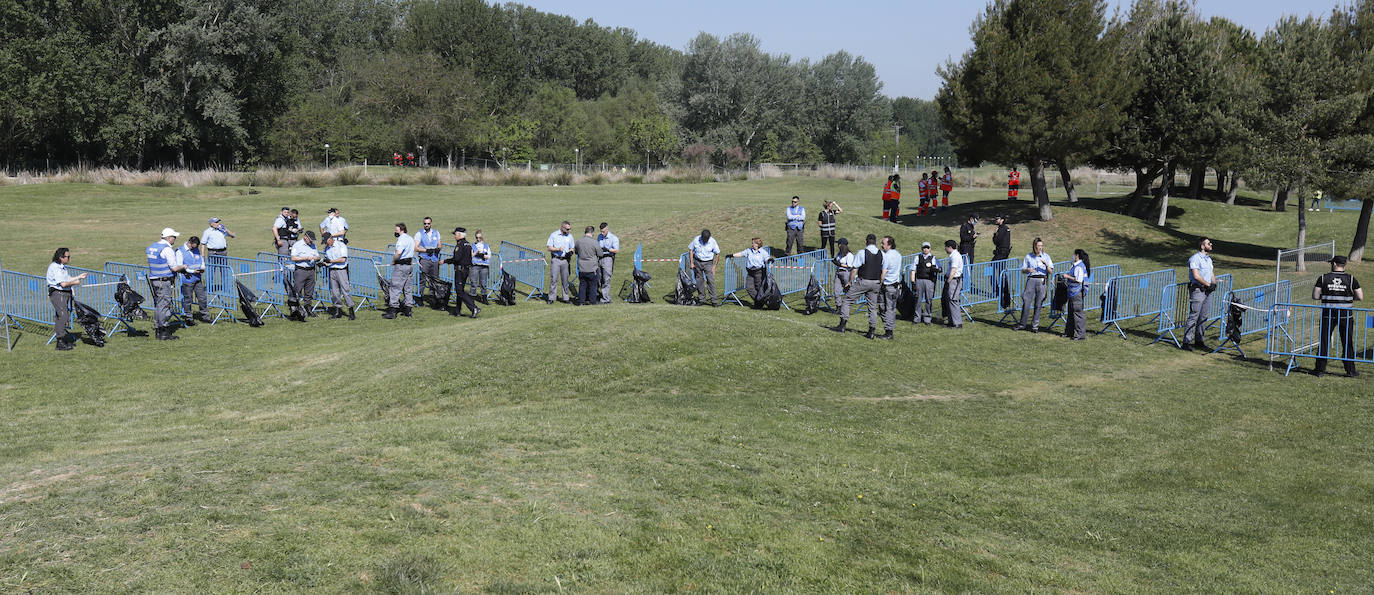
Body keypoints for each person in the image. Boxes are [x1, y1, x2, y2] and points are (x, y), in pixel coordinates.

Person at [1312, 255, 1364, 377]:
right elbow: (1360, 297)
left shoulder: (1324, 278)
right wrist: (1349, 299)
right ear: (1344, 265)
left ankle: (1320, 369)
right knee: (1347, 341)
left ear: (1334, 264)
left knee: (1324, 341)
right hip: (1345, 315)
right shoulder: (1351, 279)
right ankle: (1350, 370)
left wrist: (1325, 297)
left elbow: (1315, 295)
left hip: (1327, 314)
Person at [833, 234, 882, 337]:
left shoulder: (862, 252)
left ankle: (842, 325)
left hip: (864, 281)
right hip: (876, 282)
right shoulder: (881, 254)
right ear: (875, 242)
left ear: (865, 242)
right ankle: (871, 331)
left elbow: (854, 269)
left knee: (847, 301)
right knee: (872, 307)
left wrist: (850, 282)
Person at [146, 228, 187, 340]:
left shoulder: (152, 246)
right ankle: (164, 330)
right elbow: (174, 268)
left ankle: (158, 329)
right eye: (174, 237)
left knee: (159, 305)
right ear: (169, 238)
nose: (175, 239)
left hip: (154, 279)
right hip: (163, 280)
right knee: (164, 305)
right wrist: (183, 266)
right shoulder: (167, 249)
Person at [46, 247, 87, 351]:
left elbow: (67, 279)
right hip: (58, 293)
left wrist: (79, 277)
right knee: (63, 316)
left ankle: (63, 340)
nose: (69, 258)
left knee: (62, 316)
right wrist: (76, 282)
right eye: (67, 257)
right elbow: (63, 283)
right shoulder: (55, 268)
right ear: (61, 257)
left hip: (64, 294)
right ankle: (60, 343)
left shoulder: (62, 267)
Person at [1182, 237, 1217, 351]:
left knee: (1203, 316)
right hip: (1198, 290)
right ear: (1202, 246)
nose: (1210, 244)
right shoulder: (1195, 259)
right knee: (1194, 316)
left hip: (1207, 291)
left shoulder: (1208, 259)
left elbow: (1211, 272)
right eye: (1208, 243)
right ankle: (1186, 342)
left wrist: (1214, 283)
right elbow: (1196, 276)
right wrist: (1207, 284)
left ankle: (1199, 341)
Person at [1013, 238, 1053, 332]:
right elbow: (1023, 269)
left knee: (1038, 304)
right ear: (1034, 246)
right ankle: (1022, 324)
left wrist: (1046, 264)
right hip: (1031, 280)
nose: (1040, 248)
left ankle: (1035, 326)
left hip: (1041, 280)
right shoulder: (1028, 256)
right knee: (1026, 302)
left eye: (1041, 246)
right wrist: (1028, 270)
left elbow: (1050, 271)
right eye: (1038, 246)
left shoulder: (1046, 256)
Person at [383, 223, 415, 319]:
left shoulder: (402, 239)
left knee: (395, 288)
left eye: (396, 230)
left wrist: (393, 261)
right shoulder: (410, 238)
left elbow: (399, 252)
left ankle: (393, 310)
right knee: (407, 288)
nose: (395, 232)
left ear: (401, 230)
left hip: (401, 266)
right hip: (409, 265)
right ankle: (408, 310)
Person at [446, 227, 480, 318]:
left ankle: (474, 308)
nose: (454, 236)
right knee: (459, 291)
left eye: (455, 234)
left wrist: (445, 261)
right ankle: (457, 310)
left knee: (460, 291)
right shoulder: (468, 244)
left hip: (460, 270)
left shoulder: (460, 245)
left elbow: (456, 258)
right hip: (466, 270)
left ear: (460, 235)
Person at [321, 232, 355, 320]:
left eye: (326, 241)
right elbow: (327, 260)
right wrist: (323, 263)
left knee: (345, 291)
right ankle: (338, 311)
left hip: (341, 270)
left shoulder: (341, 245)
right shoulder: (327, 248)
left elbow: (343, 259)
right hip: (332, 271)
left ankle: (351, 312)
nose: (325, 243)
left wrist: (331, 261)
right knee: (335, 293)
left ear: (330, 239)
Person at [728, 237, 771, 307]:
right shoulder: (749, 251)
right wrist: (732, 255)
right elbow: (741, 254)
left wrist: (769, 260)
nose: (752, 244)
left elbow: (767, 259)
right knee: (749, 287)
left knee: (759, 288)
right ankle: (759, 301)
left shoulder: (763, 252)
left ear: (757, 244)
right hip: (750, 273)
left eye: (753, 243)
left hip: (759, 272)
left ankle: (762, 302)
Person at [288, 230, 321, 321]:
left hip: (311, 270)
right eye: (310, 240)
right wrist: (305, 258)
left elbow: (318, 256)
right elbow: (293, 258)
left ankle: (308, 309)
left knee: (309, 291)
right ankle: (293, 309)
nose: (311, 242)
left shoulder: (313, 246)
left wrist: (316, 258)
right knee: (297, 290)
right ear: (305, 237)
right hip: (301, 270)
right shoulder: (297, 245)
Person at [178, 236, 211, 324]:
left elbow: (201, 260)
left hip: (197, 278)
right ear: (189, 243)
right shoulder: (180, 251)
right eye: (193, 246)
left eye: (196, 247)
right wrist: (192, 271)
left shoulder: (196, 249)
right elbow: (179, 266)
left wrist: (203, 267)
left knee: (202, 298)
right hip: (187, 279)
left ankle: (205, 317)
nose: (195, 248)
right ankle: (189, 318)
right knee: (188, 299)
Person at [1060, 249, 1090, 340]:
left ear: (1077, 255)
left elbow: (1079, 280)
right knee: (1070, 313)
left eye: (1074, 254)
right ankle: (1069, 332)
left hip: (1076, 293)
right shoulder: (1075, 266)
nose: (1073, 256)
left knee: (1078, 314)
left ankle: (1080, 335)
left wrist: (1067, 276)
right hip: (1072, 293)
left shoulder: (1079, 267)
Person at [877, 235, 902, 340]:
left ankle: (889, 332)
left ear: (889, 245)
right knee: (883, 308)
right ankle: (887, 328)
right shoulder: (898, 254)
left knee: (888, 309)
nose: (881, 245)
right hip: (893, 285)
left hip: (888, 285)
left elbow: (884, 272)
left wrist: (879, 283)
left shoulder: (888, 256)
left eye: (883, 243)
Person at [909, 241, 940, 325]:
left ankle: (927, 319)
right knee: (918, 300)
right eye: (924, 247)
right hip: (919, 280)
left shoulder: (934, 258)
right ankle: (917, 318)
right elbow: (913, 270)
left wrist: (936, 269)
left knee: (928, 300)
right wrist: (913, 282)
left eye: (927, 247)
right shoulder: (917, 258)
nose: (926, 249)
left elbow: (939, 268)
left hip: (929, 281)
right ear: (922, 248)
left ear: (930, 249)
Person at [688, 229, 721, 306]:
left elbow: (718, 254)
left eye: (706, 239)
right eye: (704, 239)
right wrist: (691, 263)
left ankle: (714, 301)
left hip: (708, 263)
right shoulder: (696, 240)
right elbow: (691, 250)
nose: (705, 240)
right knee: (699, 281)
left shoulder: (713, 242)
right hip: (698, 262)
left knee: (710, 281)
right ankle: (701, 299)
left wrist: (714, 266)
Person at [546, 221, 575, 303]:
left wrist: (570, 252)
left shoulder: (570, 236)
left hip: (565, 261)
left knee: (565, 280)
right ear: (562, 227)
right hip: (556, 260)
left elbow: (572, 248)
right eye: (567, 229)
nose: (569, 230)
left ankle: (566, 298)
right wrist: (557, 249)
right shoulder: (554, 235)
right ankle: (551, 298)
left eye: (570, 229)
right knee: (554, 279)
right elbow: (548, 247)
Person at [415, 216, 442, 303]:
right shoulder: (419, 234)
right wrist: (426, 250)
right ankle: (420, 297)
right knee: (422, 279)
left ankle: (433, 297)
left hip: (434, 259)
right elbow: (416, 248)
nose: (426, 225)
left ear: (431, 224)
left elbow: (440, 244)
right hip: (424, 259)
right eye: (425, 223)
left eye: (428, 223)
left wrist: (438, 249)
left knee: (434, 279)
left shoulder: (436, 233)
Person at [574, 226, 601, 305]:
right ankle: (592, 301)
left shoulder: (578, 241)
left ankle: (581, 301)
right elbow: (600, 253)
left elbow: (576, 252)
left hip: (582, 267)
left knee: (582, 285)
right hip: (592, 267)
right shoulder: (594, 242)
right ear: (592, 233)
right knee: (593, 285)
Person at [597, 222, 619, 304]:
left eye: (604, 232)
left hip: (608, 258)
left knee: (606, 278)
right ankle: (602, 295)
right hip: (600, 259)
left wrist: (608, 250)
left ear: (607, 229)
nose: (602, 233)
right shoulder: (599, 236)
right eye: (601, 231)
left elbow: (617, 250)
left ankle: (605, 299)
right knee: (599, 278)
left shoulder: (614, 238)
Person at [943, 239, 964, 328]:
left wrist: (948, 281)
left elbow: (953, 270)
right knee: (950, 301)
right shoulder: (954, 255)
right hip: (953, 279)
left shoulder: (955, 256)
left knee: (953, 300)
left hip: (954, 280)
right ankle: (951, 321)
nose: (945, 249)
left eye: (946, 247)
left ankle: (957, 323)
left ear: (950, 247)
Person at [832, 238, 855, 309]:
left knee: (847, 291)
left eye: (839, 244)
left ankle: (846, 306)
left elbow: (850, 266)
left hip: (846, 273)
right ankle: (838, 306)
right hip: (838, 273)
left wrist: (840, 264)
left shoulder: (849, 255)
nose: (838, 245)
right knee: (836, 291)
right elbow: (837, 260)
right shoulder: (839, 253)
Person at [470, 229, 491, 301]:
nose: (478, 239)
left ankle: (484, 298)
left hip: (484, 266)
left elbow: (489, 256)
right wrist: (476, 253)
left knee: (483, 283)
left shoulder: (486, 246)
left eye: (480, 237)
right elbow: (470, 255)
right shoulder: (473, 245)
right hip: (475, 266)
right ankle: (472, 297)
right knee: (473, 282)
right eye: (477, 237)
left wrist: (483, 255)